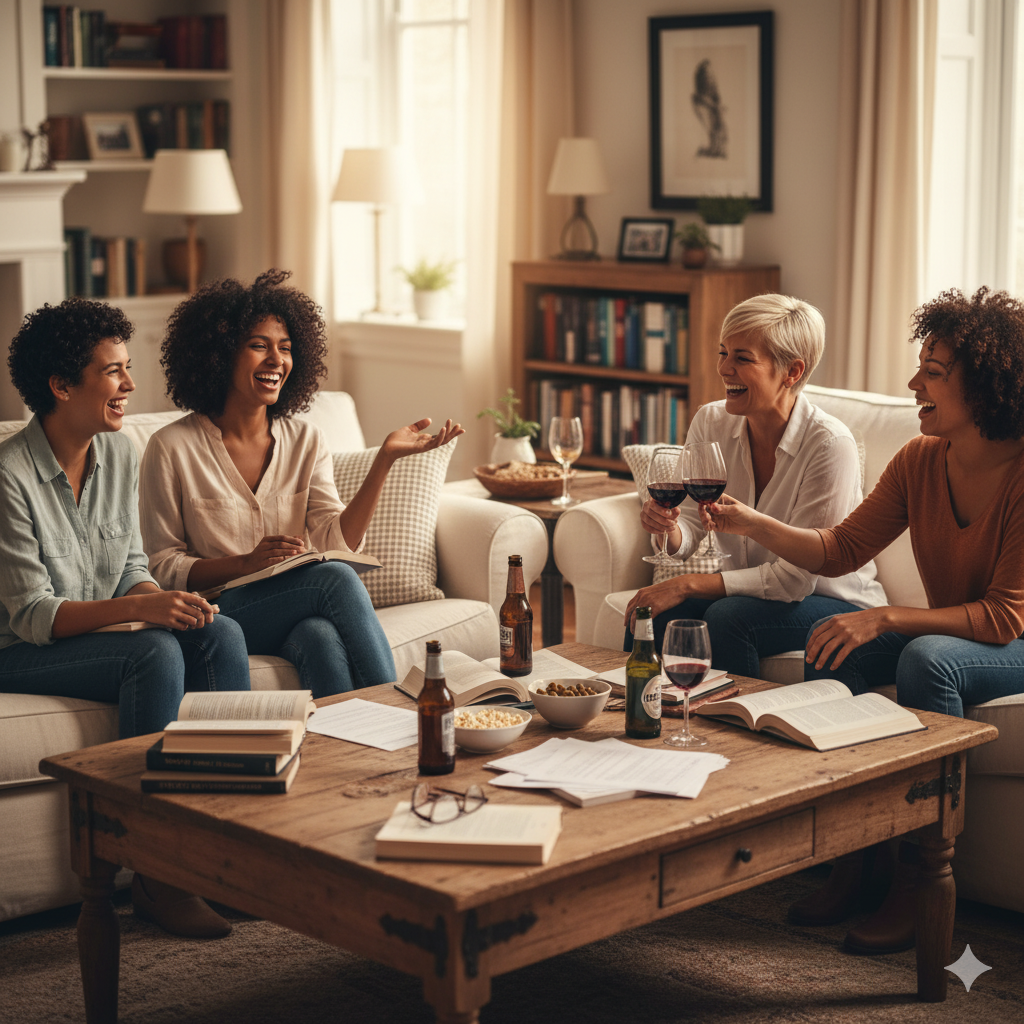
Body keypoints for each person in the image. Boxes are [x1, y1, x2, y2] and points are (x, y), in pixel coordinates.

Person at [700, 286, 1024, 953]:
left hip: (1011, 640)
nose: (913, 383)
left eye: (933, 372)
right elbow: (840, 549)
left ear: (988, 388)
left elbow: (1002, 618)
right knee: (834, 652)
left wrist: (885, 620)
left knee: (924, 658)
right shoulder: (919, 459)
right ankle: (858, 856)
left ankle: (921, 878)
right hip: (951, 629)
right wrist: (748, 519)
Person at [0, 298, 250, 939]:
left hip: (93, 631)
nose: (131, 386)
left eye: (128, 368)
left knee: (218, 631)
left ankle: (234, 852)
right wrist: (144, 611)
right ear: (61, 386)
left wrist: (167, 603)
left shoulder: (119, 454)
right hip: (20, 648)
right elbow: (33, 616)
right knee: (153, 652)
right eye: (114, 372)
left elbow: (131, 565)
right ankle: (154, 875)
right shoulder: (9, 477)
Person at [140, 269, 463, 696]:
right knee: (337, 580)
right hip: (216, 618)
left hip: (285, 611)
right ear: (218, 354)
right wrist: (244, 563)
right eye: (259, 346)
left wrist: (384, 461)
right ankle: (404, 714)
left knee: (321, 638)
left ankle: (348, 754)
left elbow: (335, 541)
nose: (277, 360)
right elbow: (162, 568)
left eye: (286, 349)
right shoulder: (171, 447)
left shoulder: (306, 439)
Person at [623, 293, 887, 674]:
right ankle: (637, 720)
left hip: (832, 599)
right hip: (760, 591)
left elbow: (794, 581)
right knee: (648, 612)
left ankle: (733, 726)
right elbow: (693, 527)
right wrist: (669, 528)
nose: (724, 368)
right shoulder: (711, 421)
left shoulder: (830, 445)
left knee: (729, 616)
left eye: (742, 358)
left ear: (791, 372)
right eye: (723, 353)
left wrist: (688, 585)